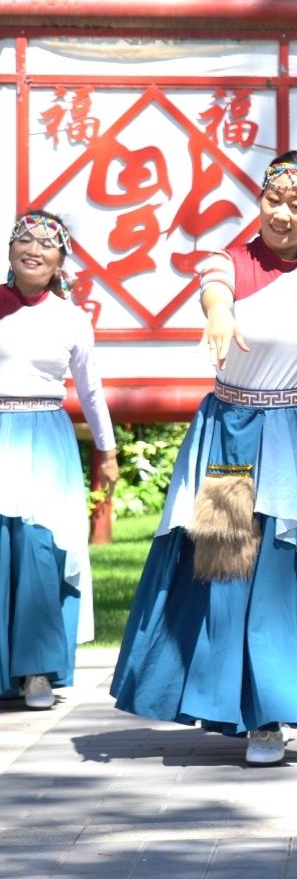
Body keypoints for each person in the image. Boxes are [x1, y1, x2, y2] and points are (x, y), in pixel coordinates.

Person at [111, 150, 297, 766]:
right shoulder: (226, 260)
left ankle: (270, 716)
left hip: (296, 438)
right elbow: (215, 292)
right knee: (224, 563)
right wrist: (221, 315)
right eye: (272, 199)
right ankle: (224, 702)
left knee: (283, 571)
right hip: (231, 431)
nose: (281, 214)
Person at [0, 212, 117, 711]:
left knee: (40, 549)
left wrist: (107, 451)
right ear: (9, 249)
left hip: (47, 436)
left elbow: (90, 391)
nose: (35, 249)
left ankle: (37, 671)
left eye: (48, 244)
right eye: (24, 238)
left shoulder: (71, 319)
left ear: (60, 261)